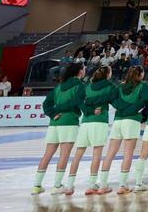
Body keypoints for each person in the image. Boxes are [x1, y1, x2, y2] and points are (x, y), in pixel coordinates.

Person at [34, 63, 85, 195]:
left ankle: (36, 185)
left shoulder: (58, 87)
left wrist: (53, 113)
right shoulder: (80, 85)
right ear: (80, 72)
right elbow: (77, 102)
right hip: (69, 122)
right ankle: (57, 186)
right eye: (83, 69)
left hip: (54, 123)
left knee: (47, 154)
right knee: (64, 155)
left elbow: (46, 104)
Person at [65, 66, 116, 195]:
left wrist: (88, 110)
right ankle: (92, 185)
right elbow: (113, 98)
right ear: (108, 74)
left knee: (78, 155)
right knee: (97, 154)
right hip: (99, 121)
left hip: (86, 122)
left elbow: (79, 101)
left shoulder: (87, 86)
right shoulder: (110, 86)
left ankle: (69, 186)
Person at [103, 66, 146, 193]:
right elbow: (147, 99)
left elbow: (111, 99)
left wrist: (121, 106)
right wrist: (132, 108)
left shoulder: (120, 86)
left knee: (110, 153)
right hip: (131, 121)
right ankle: (122, 185)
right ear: (141, 74)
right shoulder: (142, 86)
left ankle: (103, 185)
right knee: (128, 154)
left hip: (118, 121)